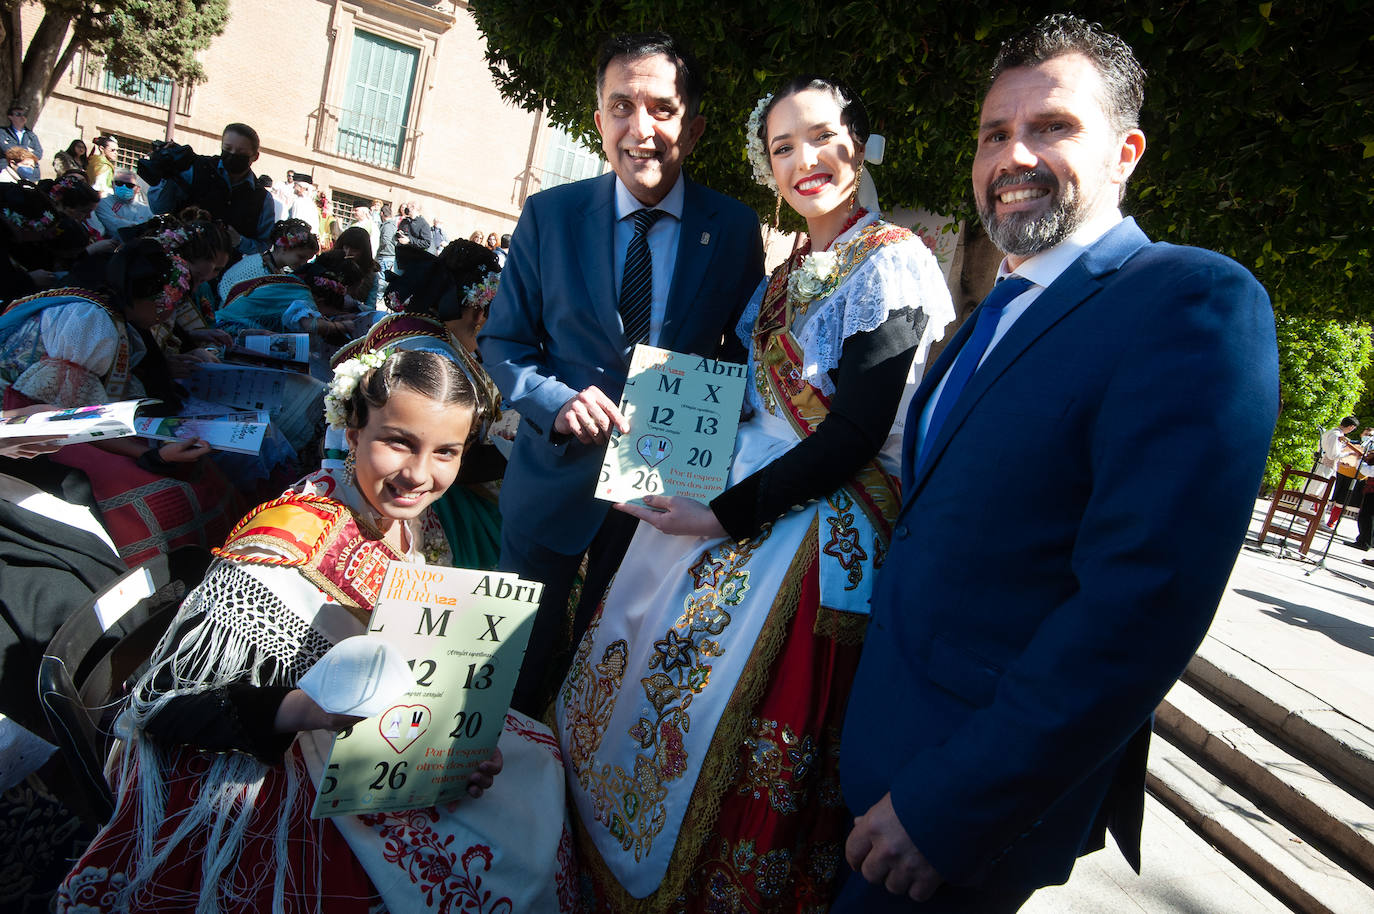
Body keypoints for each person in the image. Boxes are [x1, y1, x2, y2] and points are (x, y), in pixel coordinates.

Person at [835, 15, 1280, 913]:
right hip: (878, 759)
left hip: (958, 814)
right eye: (996, 133)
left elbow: (1138, 610)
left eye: (1054, 127)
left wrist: (953, 808)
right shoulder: (986, 317)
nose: (1014, 155)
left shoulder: (1191, 302)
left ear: (1126, 151)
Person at [557, 73, 952, 911]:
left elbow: (849, 437)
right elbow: (742, 392)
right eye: (783, 148)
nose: (804, 160)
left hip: (819, 518)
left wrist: (721, 514)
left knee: (719, 702)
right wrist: (656, 441)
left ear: (863, 142)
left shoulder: (896, 263)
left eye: (822, 137)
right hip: (733, 488)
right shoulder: (785, 273)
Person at [56, 347, 575, 913]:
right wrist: (307, 710)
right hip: (276, 754)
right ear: (352, 433)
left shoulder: (404, 516)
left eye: (445, 452)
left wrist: (455, 748)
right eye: (398, 441)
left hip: (386, 741)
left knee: (536, 767)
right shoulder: (286, 543)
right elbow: (164, 705)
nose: (420, 474)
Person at [480, 31, 765, 715]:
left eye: (663, 110)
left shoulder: (732, 229)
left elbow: (740, 353)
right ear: (600, 117)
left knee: (605, 682)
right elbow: (504, 341)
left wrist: (713, 417)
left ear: (693, 129)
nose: (643, 129)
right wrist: (554, 399)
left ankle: (572, 813)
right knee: (509, 675)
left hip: (659, 498)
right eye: (622, 106)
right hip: (550, 484)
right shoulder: (549, 216)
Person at [0, 239, 245, 566]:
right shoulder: (93, 321)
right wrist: (148, 455)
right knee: (166, 492)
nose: (170, 313)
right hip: (29, 418)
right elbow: (69, 419)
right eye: (171, 303)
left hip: (45, 412)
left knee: (194, 470)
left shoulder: (106, 312)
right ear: (154, 300)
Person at [146, 123, 275, 253]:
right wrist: (166, 174)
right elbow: (158, 207)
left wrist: (239, 241)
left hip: (227, 269)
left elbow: (264, 243)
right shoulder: (196, 168)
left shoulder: (262, 198)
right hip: (181, 260)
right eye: (227, 148)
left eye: (241, 152)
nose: (232, 155)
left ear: (255, 157)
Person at [216, 217, 318, 302]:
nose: (304, 263)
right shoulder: (256, 268)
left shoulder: (276, 271)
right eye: (301, 257)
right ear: (285, 247)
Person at [94, 168, 153, 234]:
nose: (124, 187)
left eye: (129, 185)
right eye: (119, 183)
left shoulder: (146, 210)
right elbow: (114, 225)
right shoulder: (103, 203)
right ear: (112, 184)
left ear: (138, 189)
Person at [0, 104, 42, 174]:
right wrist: (27, 149)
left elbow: (39, 154)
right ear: (10, 117)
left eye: (24, 115)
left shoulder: (31, 135)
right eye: (18, 114)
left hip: (30, 174)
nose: (22, 117)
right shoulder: (2, 132)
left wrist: (14, 147)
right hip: (6, 169)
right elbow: (5, 148)